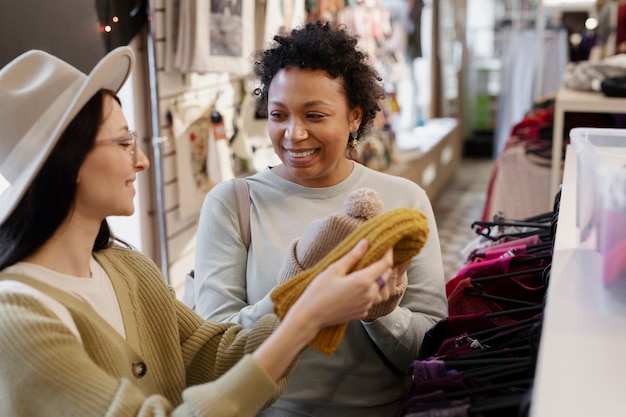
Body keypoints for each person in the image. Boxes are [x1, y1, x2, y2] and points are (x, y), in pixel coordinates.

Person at [0, 46, 398, 417]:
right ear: (68, 163)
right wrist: (306, 318)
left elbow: (215, 354)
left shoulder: (127, 269)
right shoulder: (16, 317)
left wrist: (311, 294)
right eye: (123, 142)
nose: (141, 160)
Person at [194, 21, 448, 416]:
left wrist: (377, 311)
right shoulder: (233, 204)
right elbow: (214, 351)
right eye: (279, 115)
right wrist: (297, 290)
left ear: (353, 117)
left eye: (314, 115)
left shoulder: (405, 201)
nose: (293, 134)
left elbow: (429, 348)